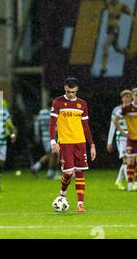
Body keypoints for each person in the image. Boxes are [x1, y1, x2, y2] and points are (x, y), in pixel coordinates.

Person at [49, 78, 96, 212]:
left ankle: (80, 204)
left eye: (73, 92)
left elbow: (85, 126)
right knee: (69, 173)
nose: (70, 94)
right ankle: (62, 194)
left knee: (80, 172)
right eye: (68, 91)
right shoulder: (58, 102)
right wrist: (53, 141)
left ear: (77, 90)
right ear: (64, 88)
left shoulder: (82, 104)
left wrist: (92, 145)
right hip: (65, 143)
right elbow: (52, 123)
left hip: (80, 142)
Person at [99, 0, 136, 75]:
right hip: (109, 29)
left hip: (115, 29)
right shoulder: (108, 4)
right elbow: (102, 9)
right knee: (116, 48)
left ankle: (103, 68)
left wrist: (132, 17)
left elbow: (129, 11)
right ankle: (131, 54)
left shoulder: (120, 5)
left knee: (105, 46)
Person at [107, 89, 132, 190]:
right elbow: (112, 126)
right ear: (122, 98)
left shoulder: (133, 109)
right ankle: (130, 182)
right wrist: (109, 142)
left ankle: (118, 181)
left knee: (128, 161)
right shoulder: (116, 110)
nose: (127, 98)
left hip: (132, 137)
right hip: (121, 137)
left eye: (129, 96)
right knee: (126, 159)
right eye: (125, 96)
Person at [31, 103, 60, 179]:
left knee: (51, 154)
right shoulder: (54, 113)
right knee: (53, 154)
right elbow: (56, 125)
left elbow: (37, 124)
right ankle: (49, 173)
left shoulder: (42, 113)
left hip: (44, 137)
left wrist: (37, 134)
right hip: (52, 137)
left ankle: (36, 167)